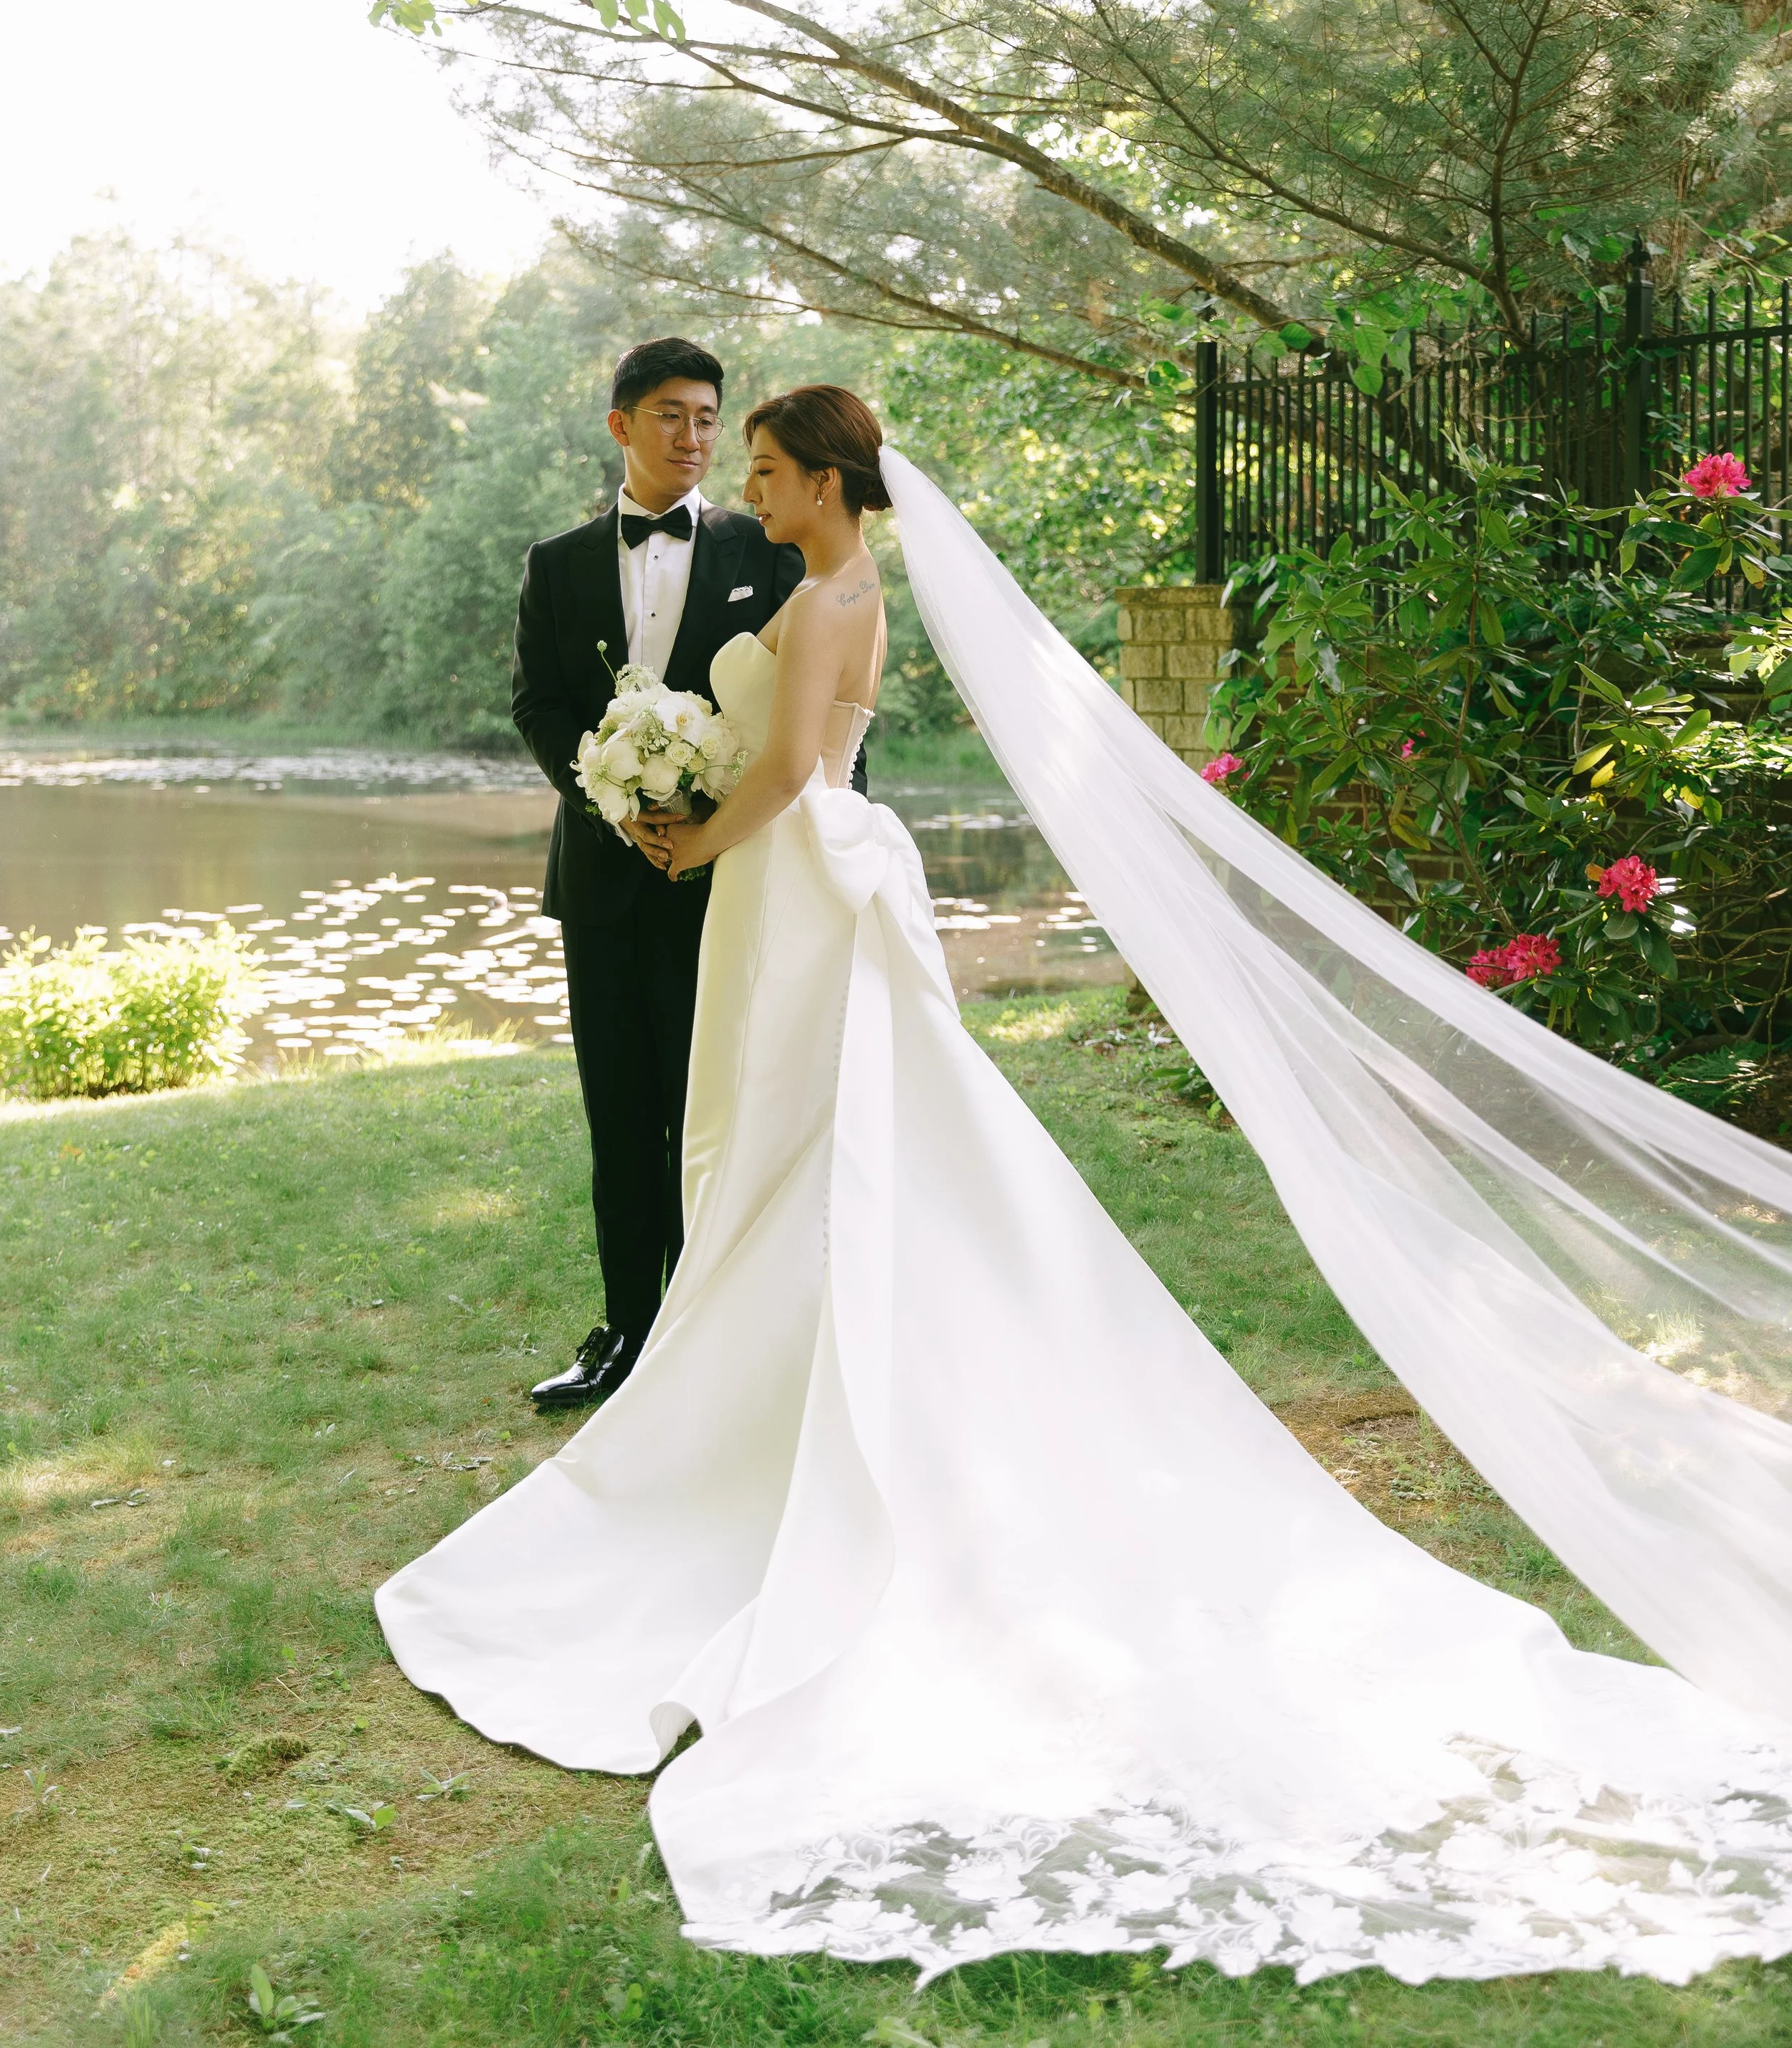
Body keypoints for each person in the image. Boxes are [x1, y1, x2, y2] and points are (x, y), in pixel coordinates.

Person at [381, 388, 1792, 1988]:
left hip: (792, 878)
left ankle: (852, 1399)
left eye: (769, 468)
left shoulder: (837, 598)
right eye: (745, 466)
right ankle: (776, 1386)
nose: (749, 486)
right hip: (790, 891)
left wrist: (688, 840)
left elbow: (785, 770)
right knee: (791, 1158)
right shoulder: (814, 585)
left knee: (835, 1152)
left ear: (830, 484)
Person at [510, 339, 860, 1416]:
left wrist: (774, 836)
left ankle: (707, 1332)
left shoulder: (780, 544)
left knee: (719, 1111)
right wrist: (613, 795)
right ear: (622, 424)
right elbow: (537, 707)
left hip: (733, 882)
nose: (696, 437)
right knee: (619, 1115)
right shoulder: (557, 563)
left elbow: (819, 716)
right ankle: (623, 1330)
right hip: (604, 886)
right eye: (672, 415)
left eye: (709, 417)